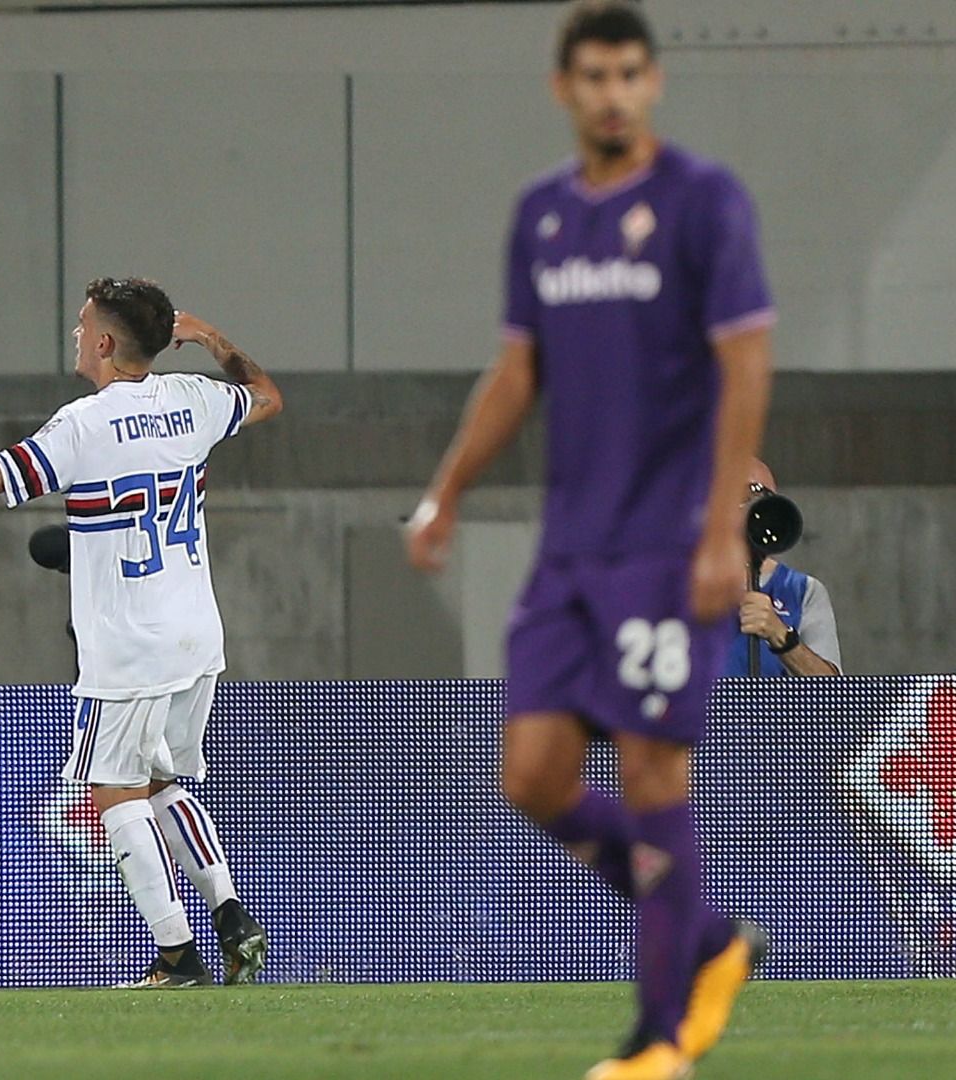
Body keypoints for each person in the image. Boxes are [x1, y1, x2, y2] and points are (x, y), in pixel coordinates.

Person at [404, 4, 771, 1077]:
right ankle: (704, 935)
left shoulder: (703, 202)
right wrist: (446, 492)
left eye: (629, 74)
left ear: (652, 83)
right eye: (593, 75)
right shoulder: (544, 217)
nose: (612, 92)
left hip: (667, 546)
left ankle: (660, 1041)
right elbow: (519, 369)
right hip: (570, 553)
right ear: (564, 88)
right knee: (531, 777)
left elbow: (746, 360)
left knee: (658, 777)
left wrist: (720, 530)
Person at [0, 277, 279, 988]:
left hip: (129, 646)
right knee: (164, 779)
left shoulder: (86, 424)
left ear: (105, 342)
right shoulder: (195, 401)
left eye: (81, 325)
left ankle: (176, 954)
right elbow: (268, 395)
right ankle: (230, 915)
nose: (75, 335)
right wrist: (215, 340)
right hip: (197, 633)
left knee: (111, 789)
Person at [728, 459, 842, 677]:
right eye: (743, 497)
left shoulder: (802, 591)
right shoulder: (675, 586)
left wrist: (780, 635)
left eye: (764, 498)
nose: (753, 509)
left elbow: (832, 694)